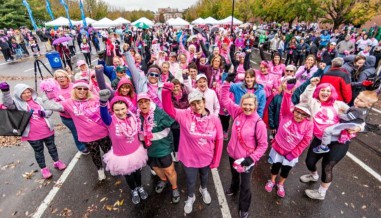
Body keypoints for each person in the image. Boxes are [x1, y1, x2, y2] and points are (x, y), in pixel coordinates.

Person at [162, 86, 223, 214]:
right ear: (189, 105)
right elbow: (169, 109)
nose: (197, 106)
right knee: (190, 180)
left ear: (204, 101)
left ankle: (203, 189)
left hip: (206, 156)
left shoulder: (214, 119)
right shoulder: (184, 115)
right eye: (193, 104)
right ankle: (191, 197)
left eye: (199, 102)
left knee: (205, 176)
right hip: (189, 158)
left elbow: (219, 139)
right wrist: (166, 92)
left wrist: (216, 160)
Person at [298, 79, 361, 200]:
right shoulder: (314, 103)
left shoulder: (339, 104)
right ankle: (314, 175)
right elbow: (304, 97)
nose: (325, 92)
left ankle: (321, 193)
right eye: (323, 90)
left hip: (339, 141)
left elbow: (357, 118)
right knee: (309, 162)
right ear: (318, 91)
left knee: (327, 166)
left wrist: (358, 127)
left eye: (328, 91)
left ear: (332, 93)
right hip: (319, 139)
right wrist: (312, 85)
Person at [42, 80, 112, 181]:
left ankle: (111, 167)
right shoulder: (68, 103)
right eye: (79, 88)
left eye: (85, 89)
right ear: (74, 90)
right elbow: (50, 105)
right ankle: (100, 170)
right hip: (88, 136)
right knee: (95, 154)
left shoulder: (96, 99)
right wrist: (47, 92)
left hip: (103, 132)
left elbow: (107, 110)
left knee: (108, 152)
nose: (82, 90)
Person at [221, 75, 268, 218]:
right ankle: (233, 188)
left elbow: (263, 145)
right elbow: (224, 99)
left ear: (255, 106)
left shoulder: (258, 123)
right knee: (234, 175)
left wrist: (251, 159)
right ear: (241, 104)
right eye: (245, 104)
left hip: (247, 159)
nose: (247, 107)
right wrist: (227, 82)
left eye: (250, 105)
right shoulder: (237, 112)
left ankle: (244, 207)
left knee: (246, 186)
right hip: (232, 154)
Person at [0, 82, 66, 179]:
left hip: (47, 130)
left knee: (52, 147)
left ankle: (57, 161)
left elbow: (49, 109)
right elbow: (8, 104)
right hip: (32, 135)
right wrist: (5, 92)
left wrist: (44, 113)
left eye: (28, 92)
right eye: (23, 93)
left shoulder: (38, 100)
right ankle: (44, 168)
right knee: (39, 151)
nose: (27, 95)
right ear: (19, 94)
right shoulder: (17, 104)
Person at [265, 79, 313, 198]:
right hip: (278, 148)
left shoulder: (308, 125)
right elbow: (285, 104)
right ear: (294, 111)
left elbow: (306, 141)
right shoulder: (287, 115)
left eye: (303, 114)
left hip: (291, 153)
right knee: (275, 166)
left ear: (307, 116)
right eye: (297, 112)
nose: (299, 115)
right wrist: (287, 91)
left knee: (285, 170)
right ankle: (272, 181)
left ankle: (280, 184)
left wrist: (294, 153)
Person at [98, 91, 148, 205]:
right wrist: (103, 102)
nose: (120, 112)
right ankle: (133, 190)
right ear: (113, 110)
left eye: (122, 109)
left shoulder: (133, 117)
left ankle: (140, 187)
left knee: (138, 172)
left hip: (136, 152)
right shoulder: (110, 121)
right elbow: (103, 114)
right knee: (129, 175)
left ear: (127, 107)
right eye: (117, 110)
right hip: (122, 156)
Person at [136, 93, 180, 204]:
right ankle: (163, 180)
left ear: (150, 102)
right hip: (148, 150)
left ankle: (174, 187)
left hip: (163, 148)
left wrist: (176, 146)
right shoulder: (137, 116)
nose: (144, 105)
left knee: (169, 170)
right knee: (155, 168)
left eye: (146, 101)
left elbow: (175, 125)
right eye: (140, 103)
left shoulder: (159, 113)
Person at [41, 70, 89, 155]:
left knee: (85, 130)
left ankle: (88, 142)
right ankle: (82, 147)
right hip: (67, 118)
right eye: (58, 77)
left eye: (63, 76)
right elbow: (52, 104)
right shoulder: (54, 90)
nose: (61, 78)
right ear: (56, 79)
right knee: (76, 132)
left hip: (80, 114)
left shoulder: (74, 86)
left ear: (67, 77)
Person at [313, 90, 378, 153]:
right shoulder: (363, 109)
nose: (357, 100)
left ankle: (323, 147)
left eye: (361, 101)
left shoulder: (357, 111)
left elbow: (347, 118)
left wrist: (338, 114)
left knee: (327, 131)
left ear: (368, 105)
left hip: (348, 125)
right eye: (357, 97)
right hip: (351, 125)